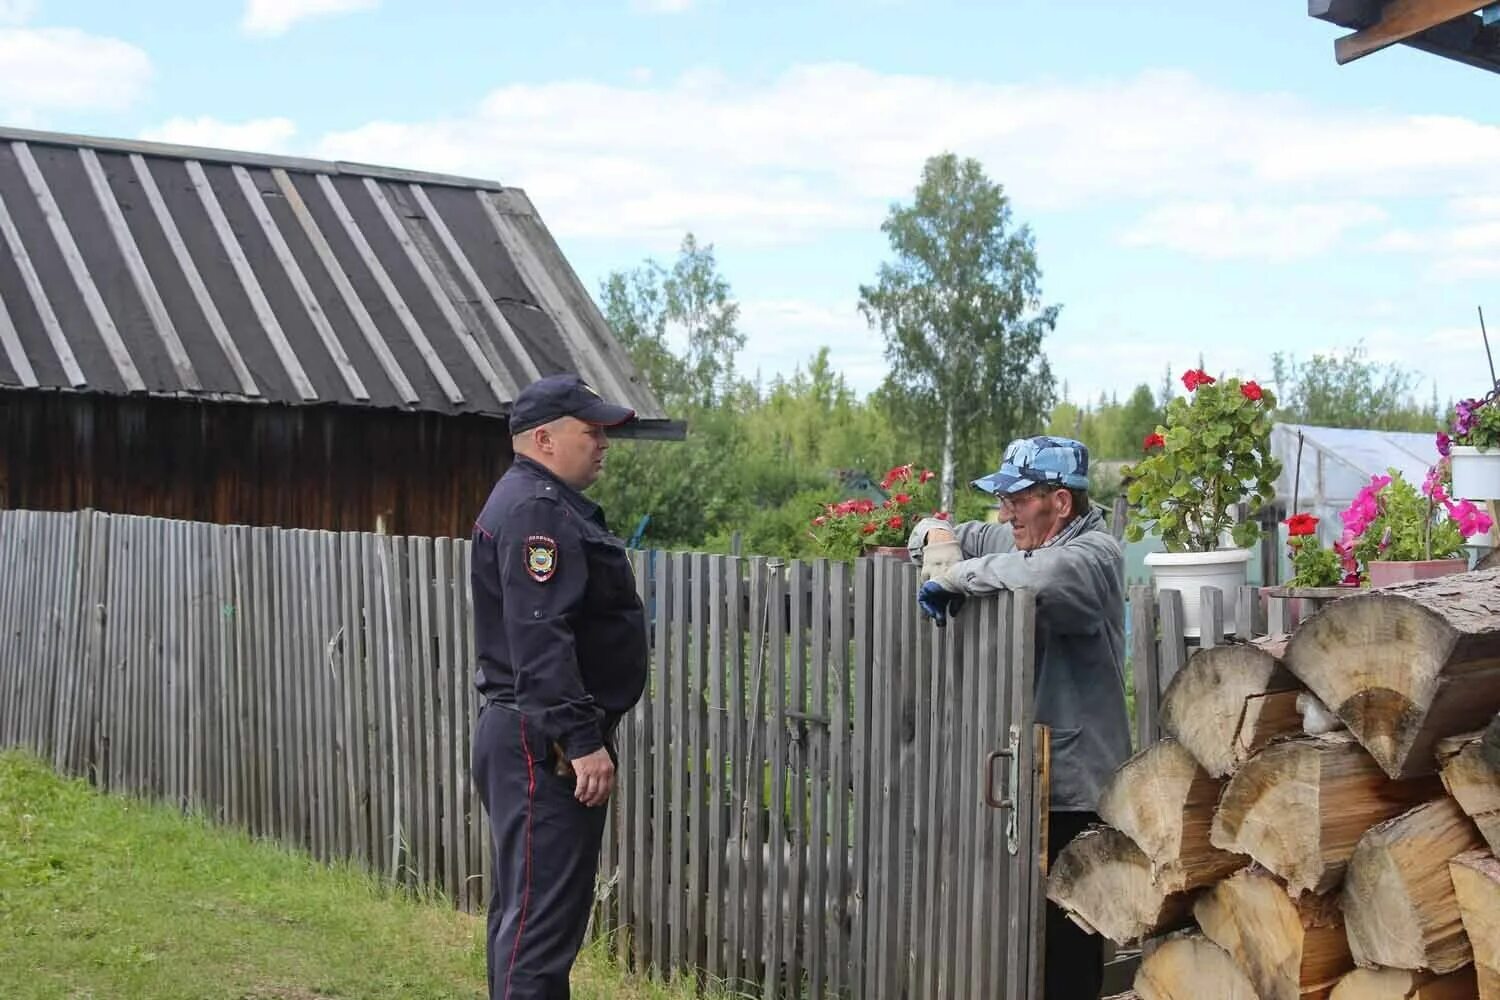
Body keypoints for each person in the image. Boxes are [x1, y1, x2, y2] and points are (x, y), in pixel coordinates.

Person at [909, 435, 1131, 1000]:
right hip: (1025, 779)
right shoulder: (1016, 536)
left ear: (1060, 502)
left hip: (1077, 786)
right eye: (1003, 500)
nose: (1005, 513)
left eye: (1018, 499)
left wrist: (956, 576)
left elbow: (1042, 577)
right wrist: (937, 540)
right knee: (1012, 940)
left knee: (1066, 947)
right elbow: (934, 533)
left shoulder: (1096, 554)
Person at [470, 373, 649, 1000]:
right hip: (542, 740)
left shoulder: (535, 502)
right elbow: (541, 638)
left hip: (528, 732)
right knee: (540, 931)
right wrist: (580, 740)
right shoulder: (536, 512)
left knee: (524, 916)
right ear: (544, 439)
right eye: (591, 431)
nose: (603, 443)